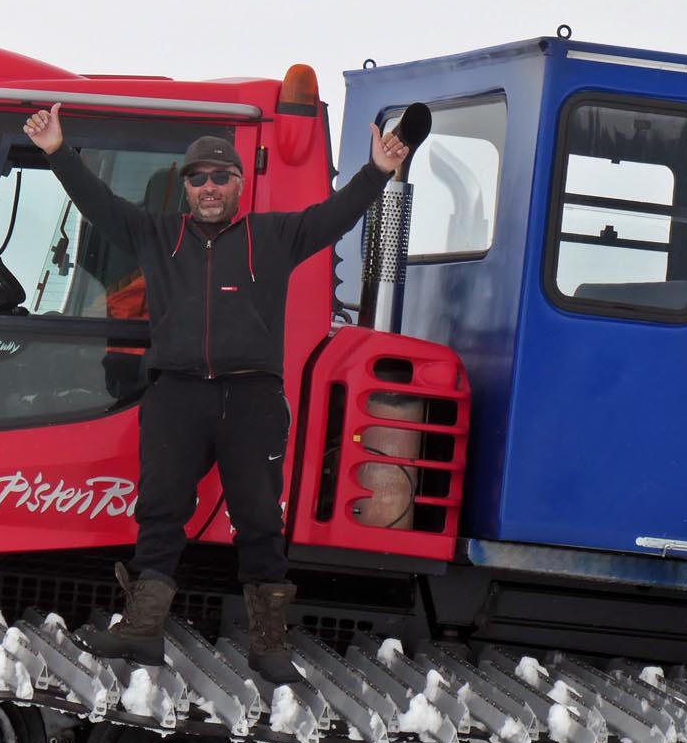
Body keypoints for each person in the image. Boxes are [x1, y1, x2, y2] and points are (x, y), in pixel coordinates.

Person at [23, 102, 408, 682]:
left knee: (257, 520)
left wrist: (376, 171)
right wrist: (57, 152)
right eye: (197, 178)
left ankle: (269, 645)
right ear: (186, 188)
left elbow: (334, 216)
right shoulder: (158, 234)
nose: (208, 187)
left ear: (239, 184)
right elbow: (99, 204)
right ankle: (142, 632)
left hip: (250, 400)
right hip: (177, 396)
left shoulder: (274, 235)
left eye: (220, 177)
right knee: (160, 514)